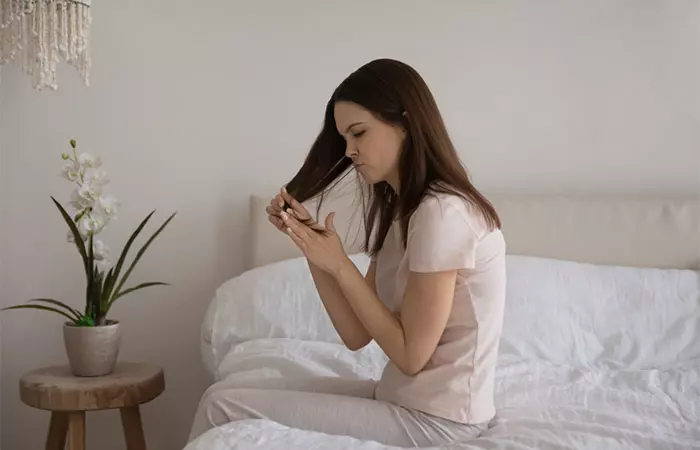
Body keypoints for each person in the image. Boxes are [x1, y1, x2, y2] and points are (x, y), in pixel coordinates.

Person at [188, 58, 506, 447]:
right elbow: (355, 334)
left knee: (221, 408)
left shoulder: (442, 214)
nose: (350, 151)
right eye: (344, 139)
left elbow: (410, 356)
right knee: (221, 395)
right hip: (404, 401)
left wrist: (340, 265)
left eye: (359, 133)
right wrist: (315, 251)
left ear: (405, 123)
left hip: (439, 422)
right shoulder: (406, 211)